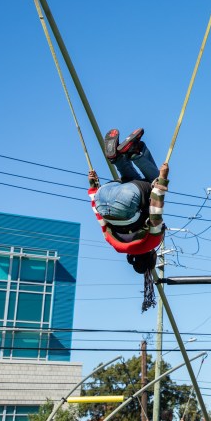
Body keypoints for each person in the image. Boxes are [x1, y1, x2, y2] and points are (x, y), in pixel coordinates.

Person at [87, 128, 169, 310]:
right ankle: (117, 158)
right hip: (105, 195)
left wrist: (162, 182)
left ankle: (135, 152)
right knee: (131, 181)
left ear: (151, 256)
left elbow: (155, 213)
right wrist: (94, 187)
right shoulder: (115, 244)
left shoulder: (151, 242)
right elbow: (100, 218)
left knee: (152, 180)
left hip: (128, 198)